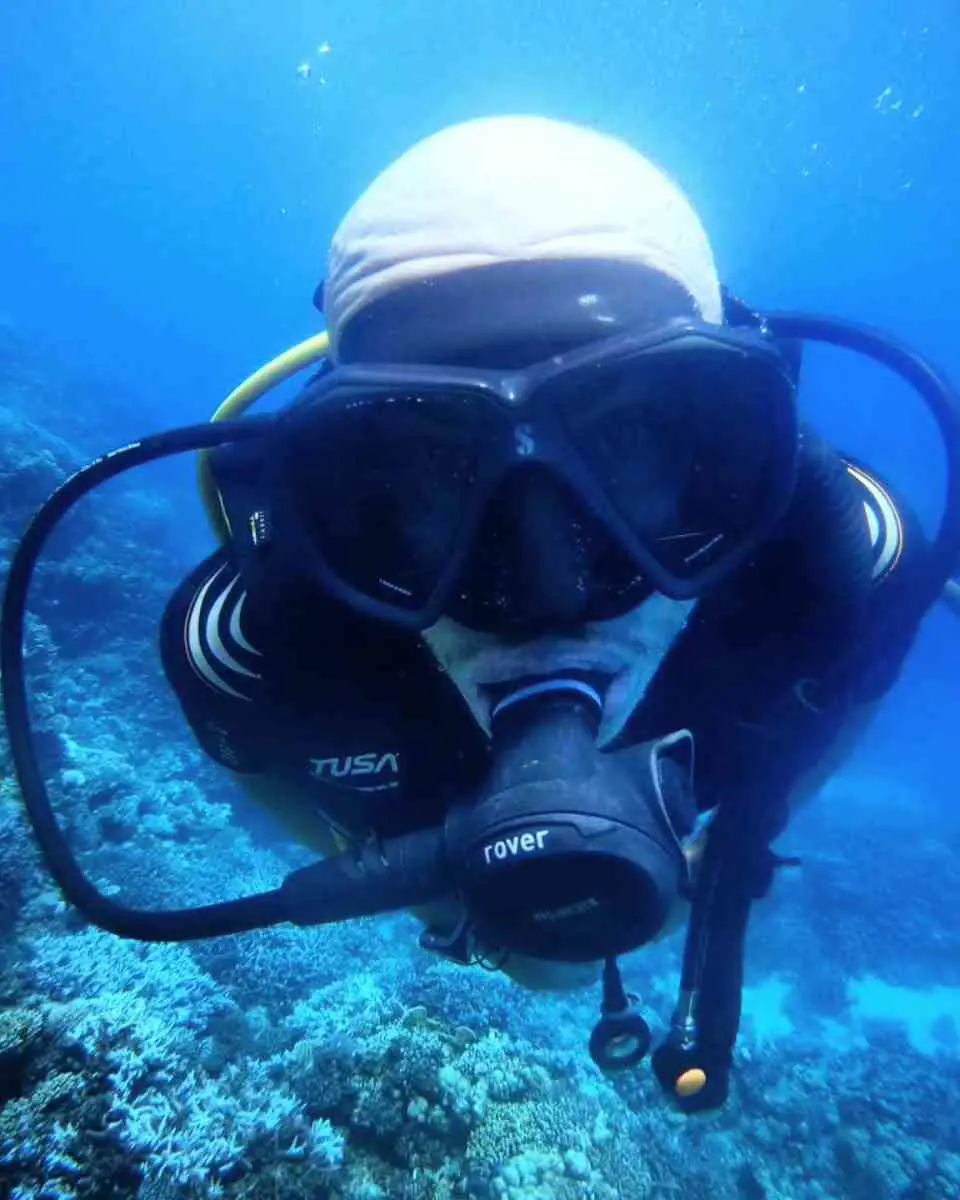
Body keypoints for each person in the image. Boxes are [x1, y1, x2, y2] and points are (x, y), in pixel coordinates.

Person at [155, 115, 934, 1112]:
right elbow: (256, 754)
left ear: (733, 455)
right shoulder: (260, 634)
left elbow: (854, 679)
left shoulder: (838, 557)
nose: (548, 589)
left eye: (633, 445)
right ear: (349, 492)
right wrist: (437, 898)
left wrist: (744, 831)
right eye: (431, 469)